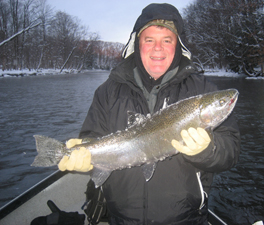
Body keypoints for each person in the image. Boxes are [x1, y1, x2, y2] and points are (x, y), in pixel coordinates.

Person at [58, 3, 241, 225]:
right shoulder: (107, 91)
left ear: (177, 46)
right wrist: (88, 160)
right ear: (137, 44)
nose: (158, 48)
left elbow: (231, 151)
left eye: (167, 40)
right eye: (149, 40)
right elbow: (92, 136)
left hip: (185, 219)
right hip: (120, 219)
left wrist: (207, 151)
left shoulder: (204, 89)